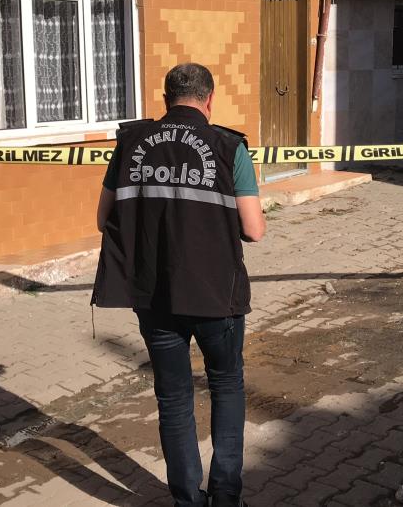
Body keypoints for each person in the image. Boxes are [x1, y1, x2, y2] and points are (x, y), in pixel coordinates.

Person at [92, 63, 266, 507]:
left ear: (166, 99)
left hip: (155, 296)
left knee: (173, 399)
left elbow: (102, 219)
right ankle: (226, 497)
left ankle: (187, 500)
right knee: (226, 387)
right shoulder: (229, 146)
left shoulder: (131, 143)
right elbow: (254, 229)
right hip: (217, 296)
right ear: (210, 99)